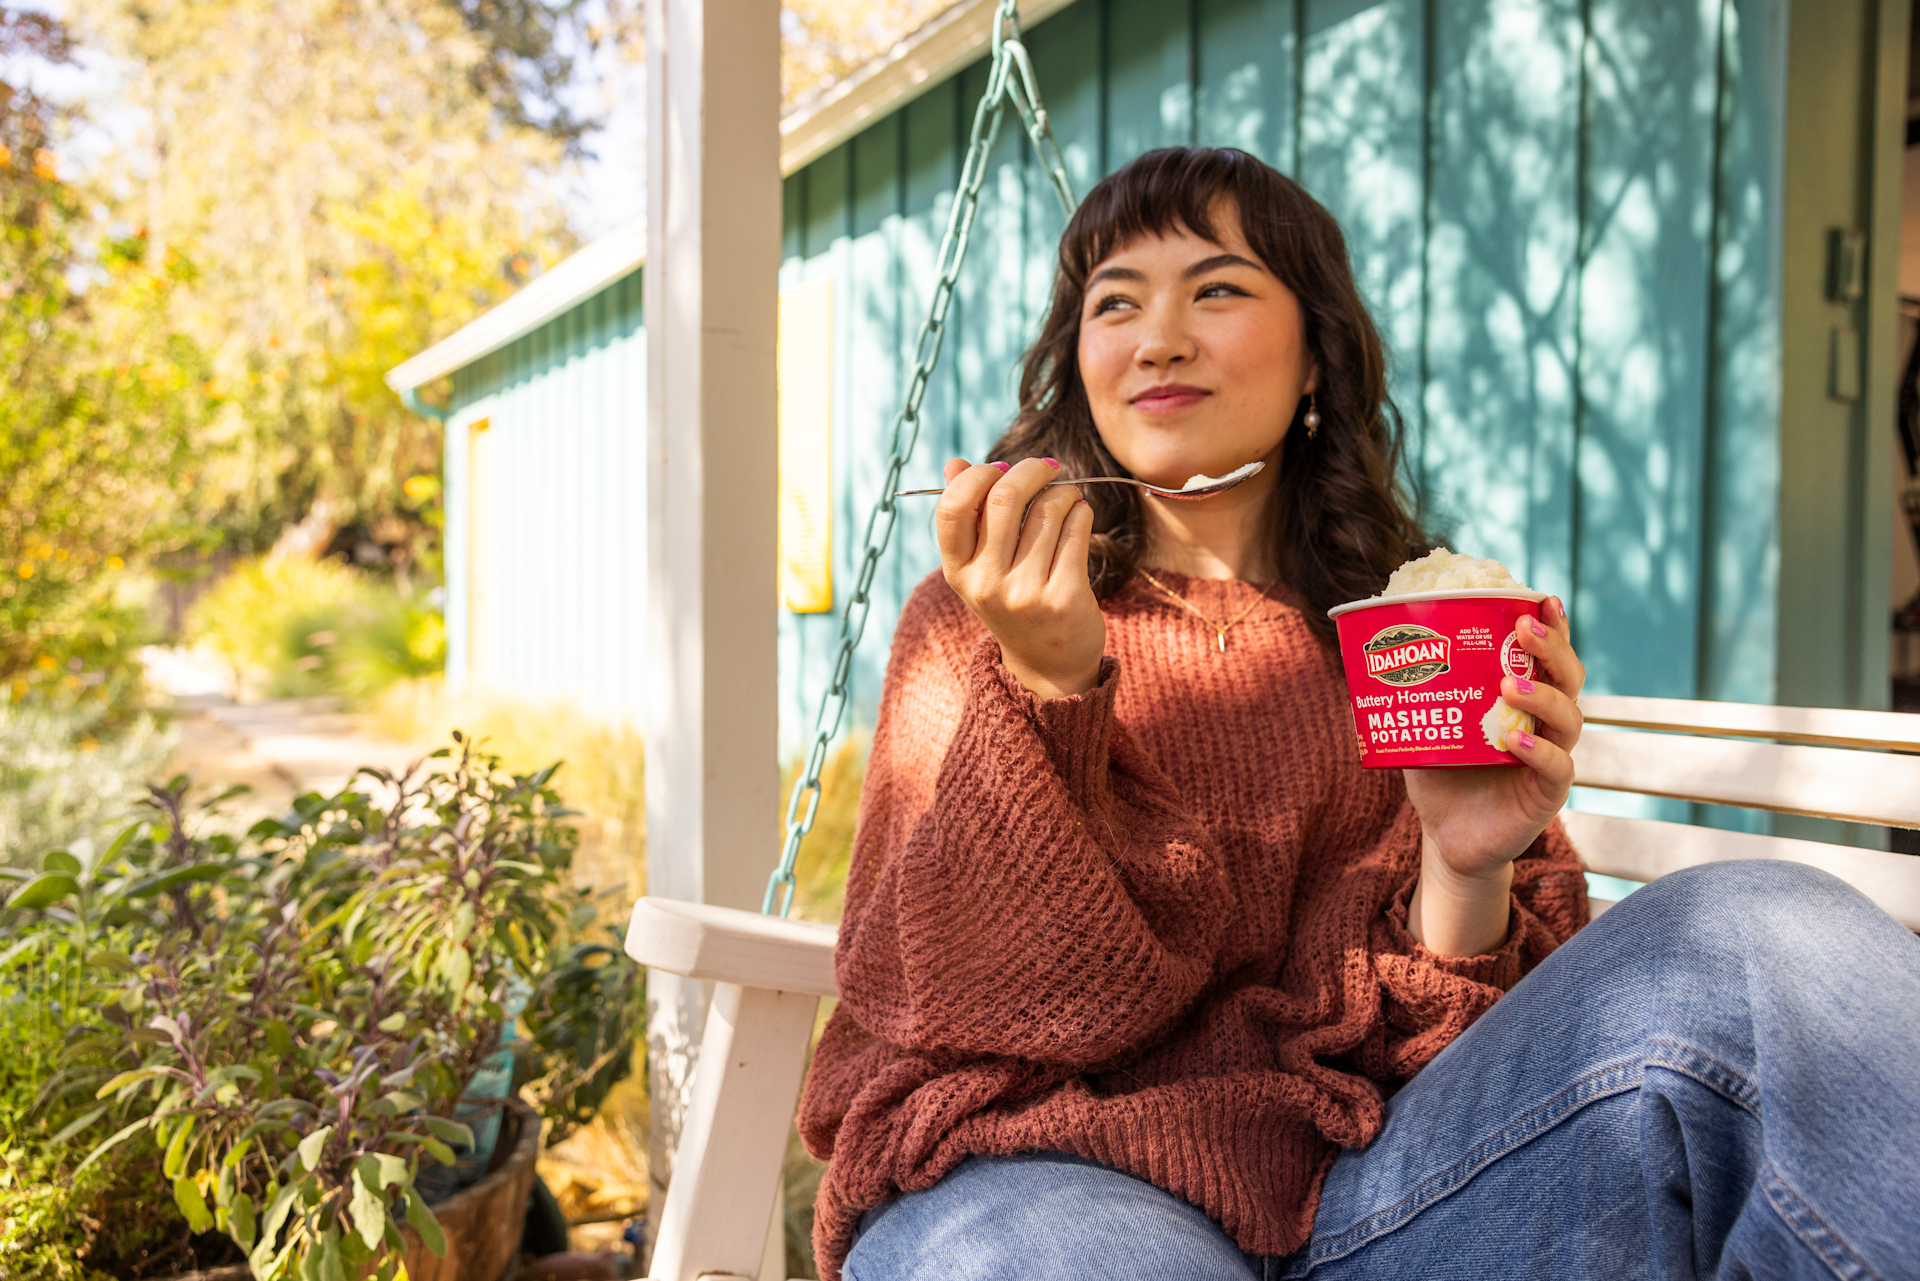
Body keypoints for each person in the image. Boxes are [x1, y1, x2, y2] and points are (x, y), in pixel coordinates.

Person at [796, 147, 1920, 1281]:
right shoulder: (979, 618)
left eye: (1217, 288)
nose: (1158, 337)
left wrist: (1465, 865)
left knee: (1759, 928)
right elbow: (971, 1005)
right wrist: (1049, 691)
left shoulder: (1408, 641)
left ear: (1316, 362)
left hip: (1373, 1206)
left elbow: (1503, 1075)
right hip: (1036, 1177)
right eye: (1115, 302)